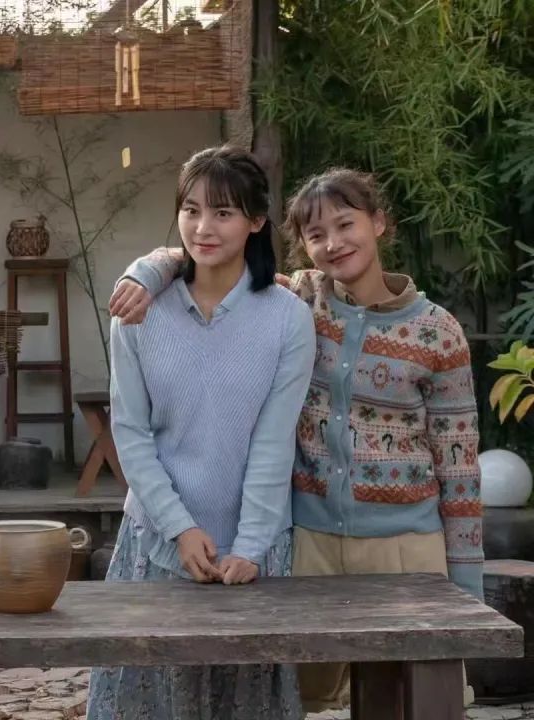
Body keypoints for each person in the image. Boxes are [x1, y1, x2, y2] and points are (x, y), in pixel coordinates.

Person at [109, 166, 484, 712]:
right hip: (310, 539)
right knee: (290, 694)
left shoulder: (431, 331)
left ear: (379, 223)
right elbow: (199, 251)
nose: (334, 243)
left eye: (346, 225)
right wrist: (145, 271)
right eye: (316, 234)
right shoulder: (305, 298)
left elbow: (460, 466)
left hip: (404, 543)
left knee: (412, 701)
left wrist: (469, 595)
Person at [86, 146, 315, 720]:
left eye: (223, 212)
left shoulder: (287, 318)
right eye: (190, 210)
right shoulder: (139, 311)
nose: (202, 227)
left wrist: (252, 545)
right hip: (156, 544)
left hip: (253, 550)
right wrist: (180, 529)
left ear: (256, 221)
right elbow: (130, 432)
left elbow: (273, 441)